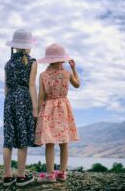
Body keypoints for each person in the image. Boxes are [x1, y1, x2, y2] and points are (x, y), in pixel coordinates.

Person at [35, 43, 80, 183]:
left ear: (49, 59)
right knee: (64, 142)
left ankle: (50, 175)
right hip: (64, 108)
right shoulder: (66, 74)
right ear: (62, 59)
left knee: (49, 142)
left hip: (48, 108)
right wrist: (73, 69)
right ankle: (62, 173)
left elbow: (41, 95)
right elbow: (77, 84)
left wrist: (37, 111)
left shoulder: (43, 75)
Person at [2, 29, 38, 187]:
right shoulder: (32, 62)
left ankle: (7, 176)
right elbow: (31, 86)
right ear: (28, 46)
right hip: (24, 100)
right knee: (22, 139)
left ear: (15, 46)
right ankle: (21, 176)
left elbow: (6, 88)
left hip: (9, 101)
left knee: (8, 139)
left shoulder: (8, 64)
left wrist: (9, 103)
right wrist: (35, 108)